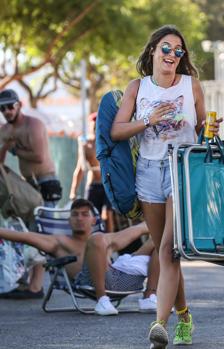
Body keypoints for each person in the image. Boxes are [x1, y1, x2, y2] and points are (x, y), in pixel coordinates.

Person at [110, 25, 221, 348]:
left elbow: (203, 130)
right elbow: (117, 131)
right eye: (166, 49)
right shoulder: (137, 87)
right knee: (164, 251)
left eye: (178, 51)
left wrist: (210, 128)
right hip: (147, 171)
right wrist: (148, 120)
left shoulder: (191, 86)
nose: (172, 55)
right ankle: (184, 315)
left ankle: (159, 324)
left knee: (170, 249)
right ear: (153, 53)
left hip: (182, 168)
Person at [0, 199, 158, 316]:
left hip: (121, 279)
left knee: (161, 241)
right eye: (75, 215)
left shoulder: (106, 240)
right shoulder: (59, 242)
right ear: (69, 220)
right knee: (97, 239)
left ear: (93, 220)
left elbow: (141, 228)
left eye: (84, 214)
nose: (79, 218)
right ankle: (102, 300)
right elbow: (22, 236)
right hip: (88, 282)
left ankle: (149, 297)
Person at [0, 88, 63, 299]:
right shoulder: (6, 129)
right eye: (3, 108)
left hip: (46, 183)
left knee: (40, 234)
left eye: (10, 106)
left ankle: (36, 286)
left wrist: (13, 146)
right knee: (26, 233)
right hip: (28, 186)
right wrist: (5, 145)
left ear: (19, 106)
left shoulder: (33, 124)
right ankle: (26, 282)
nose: (7, 111)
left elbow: (38, 155)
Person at [69, 112, 115, 232]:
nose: (96, 127)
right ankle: (89, 243)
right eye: (93, 124)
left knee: (107, 214)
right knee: (88, 216)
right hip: (93, 185)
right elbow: (79, 169)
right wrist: (73, 191)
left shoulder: (109, 143)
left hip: (107, 185)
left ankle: (109, 245)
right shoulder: (86, 146)